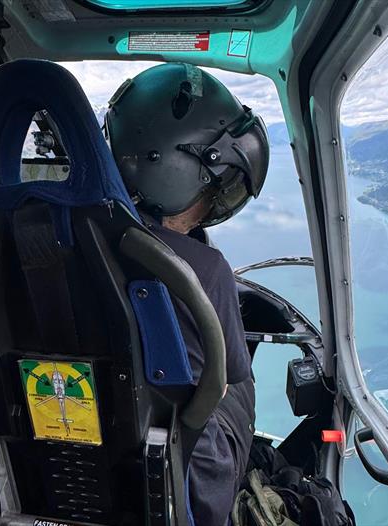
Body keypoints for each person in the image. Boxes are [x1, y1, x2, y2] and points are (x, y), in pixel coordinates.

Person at [106, 63, 270, 525]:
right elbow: (229, 378)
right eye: (213, 182)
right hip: (187, 482)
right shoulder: (205, 269)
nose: (216, 196)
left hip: (73, 465)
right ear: (175, 172)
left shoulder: (62, 248)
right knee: (238, 380)